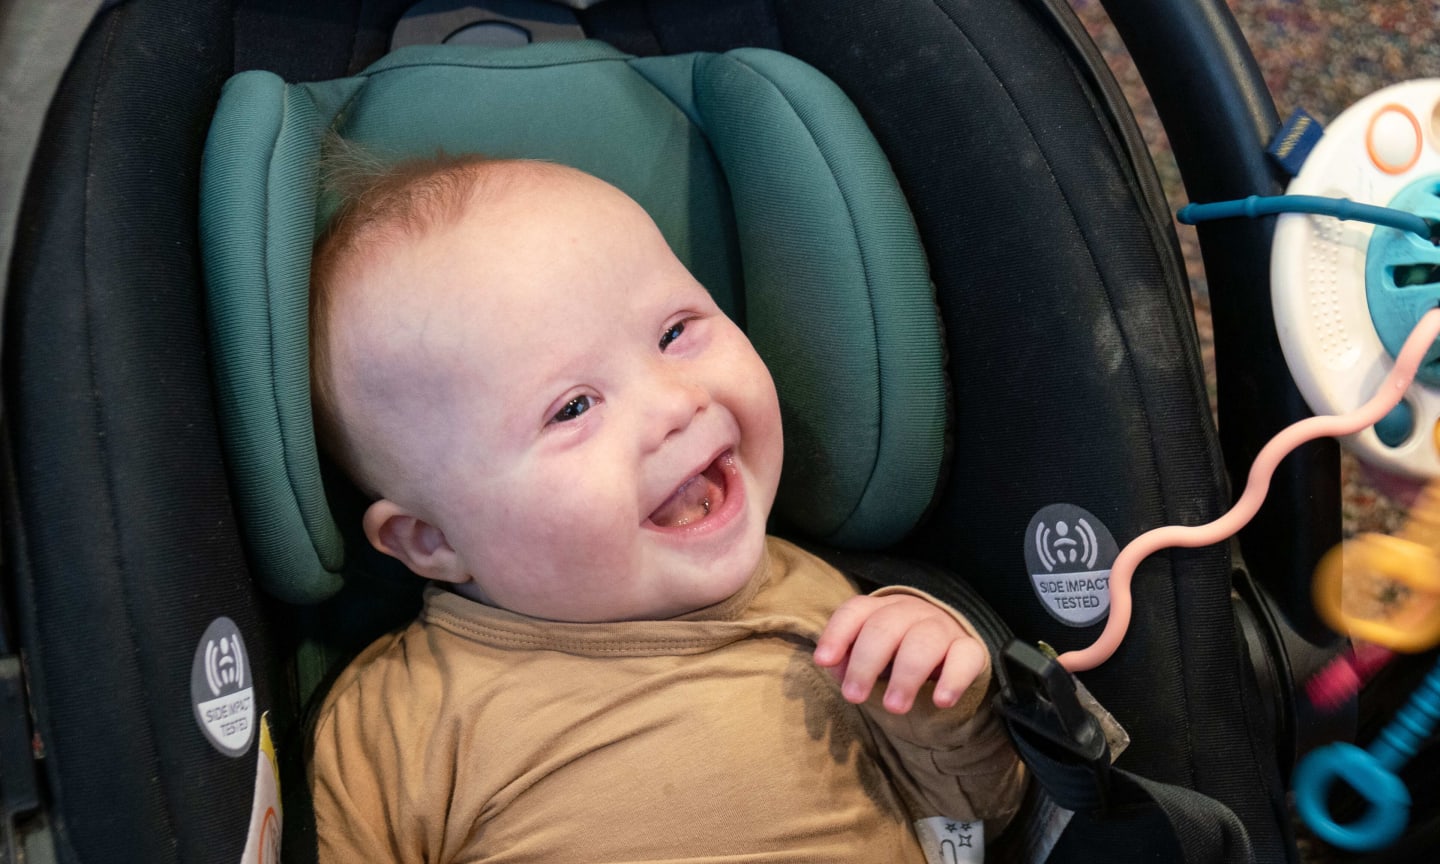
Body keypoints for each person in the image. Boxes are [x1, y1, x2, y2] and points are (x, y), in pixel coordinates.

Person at [306, 149, 1026, 862]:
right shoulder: (397, 726)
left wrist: (943, 715)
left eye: (675, 332)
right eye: (574, 407)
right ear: (432, 540)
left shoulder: (835, 613)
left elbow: (971, 824)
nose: (676, 405)